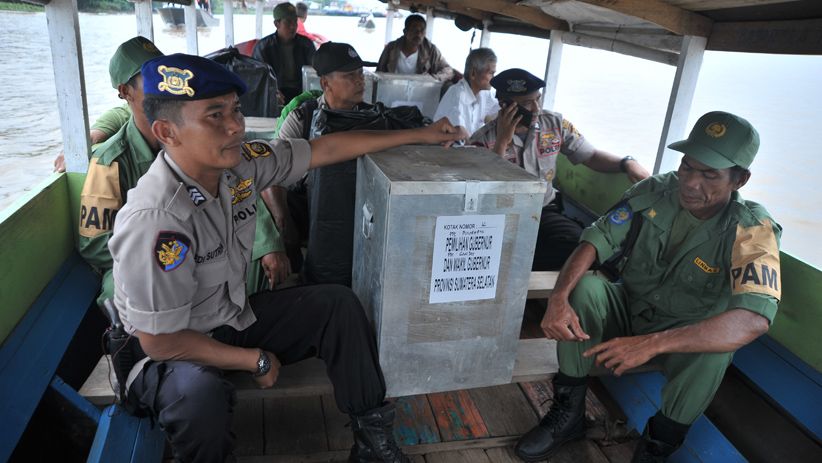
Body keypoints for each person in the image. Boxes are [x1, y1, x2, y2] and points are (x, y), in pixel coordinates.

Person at [108, 53, 464, 462]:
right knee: (197, 395)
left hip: (228, 319)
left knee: (338, 304)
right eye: (214, 115)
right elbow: (160, 340)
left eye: (235, 110)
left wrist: (423, 134)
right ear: (166, 131)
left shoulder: (238, 166)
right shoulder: (157, 220)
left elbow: (324, 148)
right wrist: (252, 359)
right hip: (165, 353)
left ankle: (373, 442)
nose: (235, 125)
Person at [514, 111, 781, 463]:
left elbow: (753, 320)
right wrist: (558, 298)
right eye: (688, 167)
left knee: (715, 352)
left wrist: (652, 343)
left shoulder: (751, 229)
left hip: (685, 335)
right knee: (586, 290)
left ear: (739, 180)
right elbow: (595, 241)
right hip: (631, 306)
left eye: (709, 175)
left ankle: (656, 448)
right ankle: (569, 415)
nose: (690, 182)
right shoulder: (656, 190)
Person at [77, 37, 289, 310]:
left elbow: (239, 187)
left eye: (165, 74)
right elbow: (94, 245)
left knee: (257, 261)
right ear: (125, 91)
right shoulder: (110, 161)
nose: (161, 85)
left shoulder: (196, 138)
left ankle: (236, 334)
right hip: (152, 261)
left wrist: (268, 243)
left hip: (210, 246)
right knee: (119, 290)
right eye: (149, 78)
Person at [470, 68, 649, 270]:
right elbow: (482, 190)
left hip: (543, 211)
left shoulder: (553, 124)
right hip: (500, 216)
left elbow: (591, 156)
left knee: (579, 249)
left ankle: (520, 265)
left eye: (539, 99)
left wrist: (626, 163)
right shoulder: (482, 140)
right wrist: (502, 142)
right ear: (506, 105)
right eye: (529, 103)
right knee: (488, 255)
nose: (537, 108)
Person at [253, 2, 316, 105]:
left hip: (302, 92)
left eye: (295, 22)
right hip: (277, 93)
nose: (293, 26)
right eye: (288, 22)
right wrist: (272, 91)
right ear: (277, 24)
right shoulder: (263, 47)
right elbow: (258, 77)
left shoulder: (306, 44)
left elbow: (315, 71)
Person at [433, 47, 499, 136]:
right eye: (491, 73)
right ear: (473, 74)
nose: (494, 78)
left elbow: (497, 112)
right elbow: (462, 137)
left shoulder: (484, 93)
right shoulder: (457, 96)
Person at [376, 14, 454, 82]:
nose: (418, 34)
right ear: (405, 31)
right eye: (414, 30)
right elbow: (379, 72)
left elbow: (448, 71)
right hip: (392, 89)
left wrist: (433, 79)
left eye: (422, 30)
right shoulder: (391, 48)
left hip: (418, 92)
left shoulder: (431, 50)